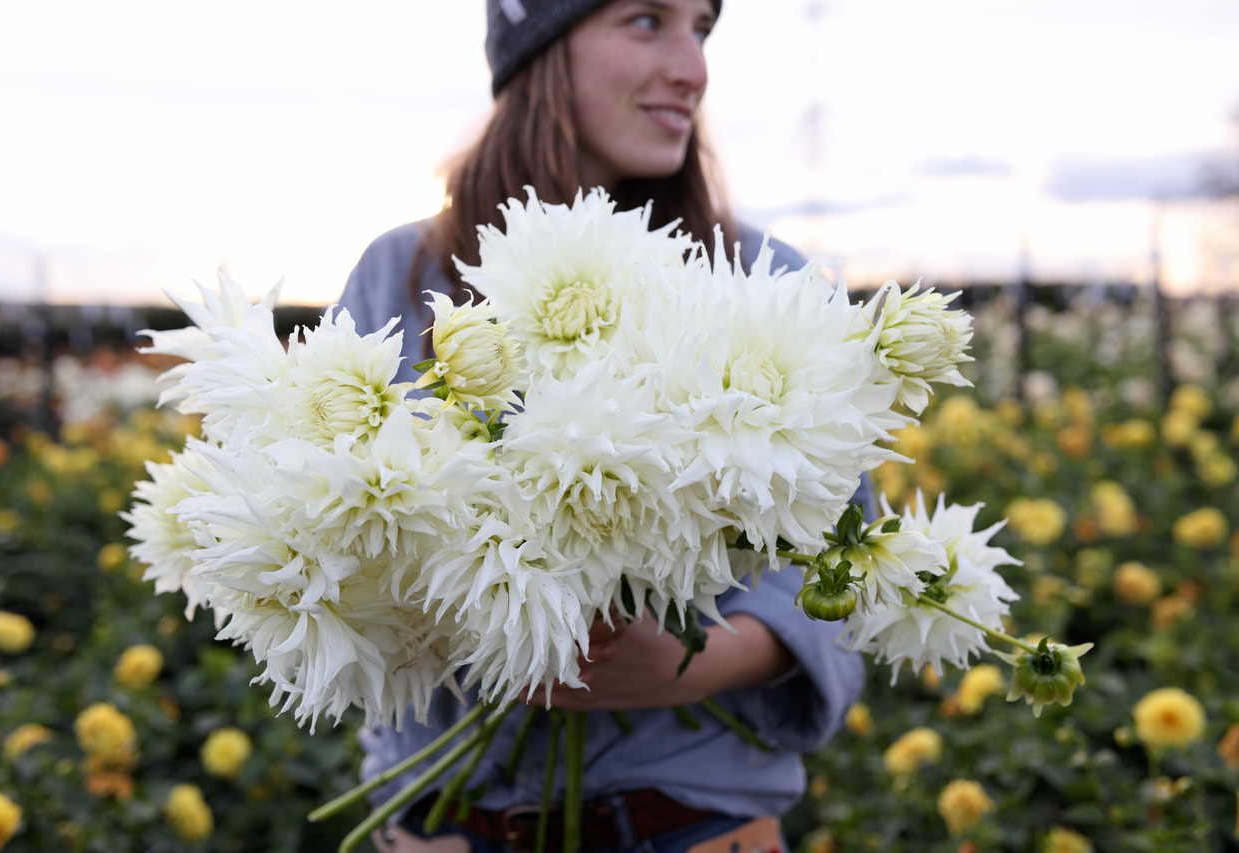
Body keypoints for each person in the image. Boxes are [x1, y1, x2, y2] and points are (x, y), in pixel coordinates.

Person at [336, 2, 866, 851]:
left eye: (701, 29)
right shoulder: (402, 278)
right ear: (538, 52)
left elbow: (849, 563)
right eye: (647, 21)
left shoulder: (770, 285)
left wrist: (695, 660)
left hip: (695, 823)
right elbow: (330, 536)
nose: (692, 69)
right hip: (453, 825)